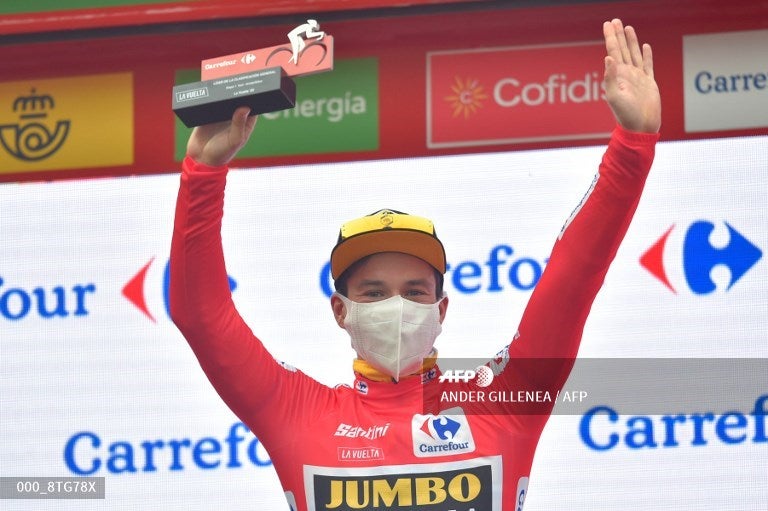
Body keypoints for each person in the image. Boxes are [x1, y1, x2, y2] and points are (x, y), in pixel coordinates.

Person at [170, 18, 661, 511]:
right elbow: (199, 314)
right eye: (374, 293)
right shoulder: (296, 413)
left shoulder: (504, 402)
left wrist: (632, 147)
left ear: (441, 309)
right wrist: (203, 173)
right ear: (340, 310)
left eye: (415, 291)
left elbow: (573, 278)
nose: (397, 306)